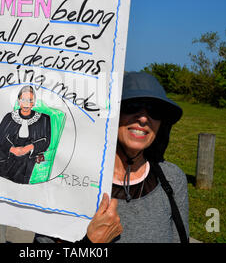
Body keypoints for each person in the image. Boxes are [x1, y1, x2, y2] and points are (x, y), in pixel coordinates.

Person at [34, 71, 189, 243]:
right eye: (133, 106)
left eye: (155, 111)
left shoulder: (172, 179)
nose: (144, 118)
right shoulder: (69, 180)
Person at [0, 85, 51, 184]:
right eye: (23, 100)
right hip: (7, 158)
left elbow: (46, 141)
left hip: (26, 162)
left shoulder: (43, 119)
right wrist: (13, 150)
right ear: (19, 101)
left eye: (30, 100)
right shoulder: (9, 117)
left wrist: (28, 148)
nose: (26, 103)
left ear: (34, 103)